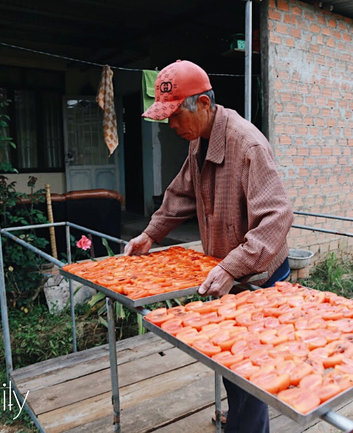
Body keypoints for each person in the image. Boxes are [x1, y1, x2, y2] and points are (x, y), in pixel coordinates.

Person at [124, 60, 293, 433]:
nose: (171, 126)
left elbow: (277, 217)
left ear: (203, 104)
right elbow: (182, 192)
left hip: (259, 277)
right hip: (229, 272)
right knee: (231, 362)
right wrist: (151, 234)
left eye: (174, 115)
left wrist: (233, 266)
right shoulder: (198, 142)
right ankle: (241, 420)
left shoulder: (247, 145)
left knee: (250, 373)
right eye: (165, 118)